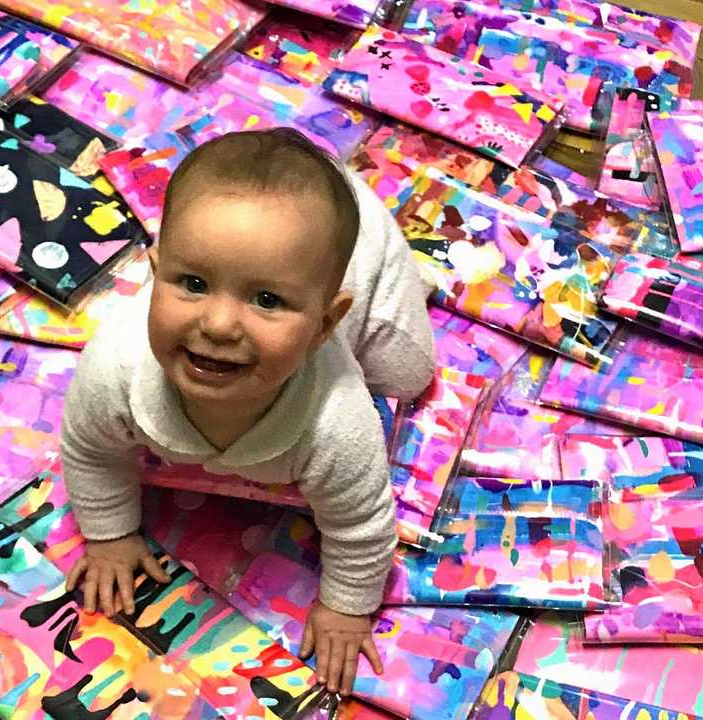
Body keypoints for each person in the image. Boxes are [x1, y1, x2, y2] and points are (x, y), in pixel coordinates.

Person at [60, 128, 435, 695]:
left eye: (266, 300)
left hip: (368, 256)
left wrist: (345, 610)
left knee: (409, 376)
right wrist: (109, 536)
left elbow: (360, 525)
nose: (217, 325)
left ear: (325, 325)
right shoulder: (116, 366)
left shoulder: (335, 416)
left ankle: (406, 271)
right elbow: (90, 450)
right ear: (154, 273)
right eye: (192, 283)